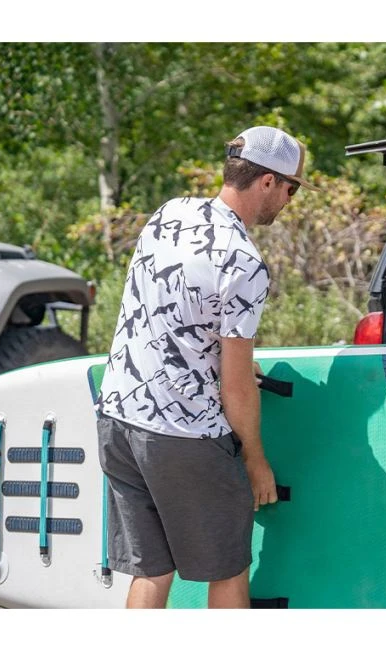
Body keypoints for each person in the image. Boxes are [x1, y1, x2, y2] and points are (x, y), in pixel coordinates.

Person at [95, 125, 319, 608]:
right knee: (229, 570)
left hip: (119, 418)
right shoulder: (243, 262)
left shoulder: (169, 213)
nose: (289, 200)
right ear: (267, 181)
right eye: (292, 189)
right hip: (183, 435)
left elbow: (170, 318)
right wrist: (256, 460)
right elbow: (235, 386)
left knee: (152, 571)